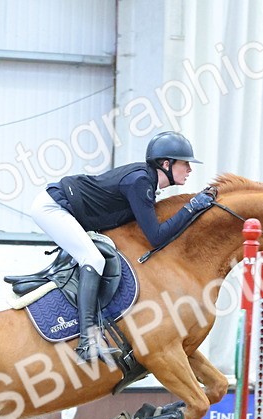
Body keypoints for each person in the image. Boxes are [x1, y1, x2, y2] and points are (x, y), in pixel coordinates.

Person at [29, 130, 216, 363]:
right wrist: (192, 207)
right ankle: (87, 342)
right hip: (52, 207)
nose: (189, 169)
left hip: (67, 208)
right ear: (166, 163)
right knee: (93, 259)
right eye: (185, 164)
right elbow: (156, 237)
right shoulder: (140, 182)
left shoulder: (145, 181)